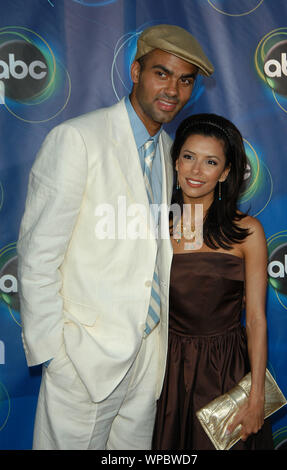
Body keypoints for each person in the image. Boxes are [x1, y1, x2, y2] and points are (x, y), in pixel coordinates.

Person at [17, 25, 214, 450]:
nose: (173, 90)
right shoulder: (77, 139)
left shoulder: (167, 152)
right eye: (162, 73)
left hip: (147, 358)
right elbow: (37, 255)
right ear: (135, 70)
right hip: (85, 358)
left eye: (185, 80)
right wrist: (57, 354)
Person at [152, 113, 274, 450]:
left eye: (210, 162)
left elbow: (257, 319)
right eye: (189, 157)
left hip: (226, 370)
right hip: (164, 372)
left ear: (225, 173)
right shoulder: (153, 228)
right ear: (175, 161)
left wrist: (256, 396)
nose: (195, 171)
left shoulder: (247, 231)